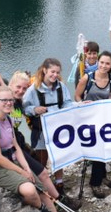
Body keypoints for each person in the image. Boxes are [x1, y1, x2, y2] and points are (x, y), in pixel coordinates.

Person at [0, 86, 77, 212]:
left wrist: (26, 167)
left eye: (10, 100)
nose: (8, 103)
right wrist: (23, 173)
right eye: (4, 100)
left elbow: (16, 147)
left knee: (42, 190)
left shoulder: (8, 119)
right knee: (31, 190)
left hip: (12, 161)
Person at [6, 70, 62, 202]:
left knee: (38, 165)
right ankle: (57, 199)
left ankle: (55, 197)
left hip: (16, 143)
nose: (21, 91)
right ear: (10, 85)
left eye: (24, 89)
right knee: (41, 172)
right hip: (8, 148)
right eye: (18, 87)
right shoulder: (4, 103)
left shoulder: (18, 103)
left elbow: (17, 125)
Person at [22, 58, 73, 191]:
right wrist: (34, 109)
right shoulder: (33, 89)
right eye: (52, 72)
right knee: (41, 158)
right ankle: (41, 184)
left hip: (58, 128)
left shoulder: (61, 86)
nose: (55, 75)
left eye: (57, 72)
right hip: (40, 130)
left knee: (59, 155)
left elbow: (67, 103)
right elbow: (25, 107)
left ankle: (59, 182)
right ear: (44, 70)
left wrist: (77, 106)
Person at [74, 51, 111, 198]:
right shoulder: (88, 77)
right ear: (98, 62)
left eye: (107, 63)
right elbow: (77, 95)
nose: (104, 66)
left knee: (104, 149)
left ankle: (102, 175)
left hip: (104, 120)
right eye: (102, 62)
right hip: (89, 119)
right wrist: (82, 104)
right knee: (97, 150)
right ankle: (95, 182)